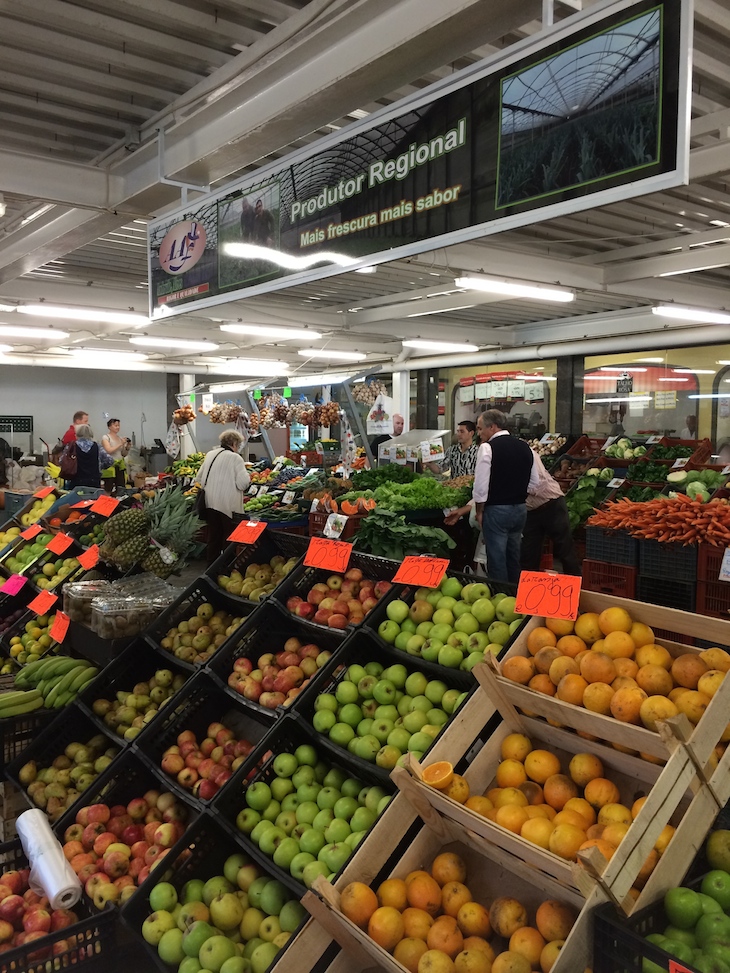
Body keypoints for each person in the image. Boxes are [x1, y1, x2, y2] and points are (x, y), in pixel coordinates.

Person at [472, 409, 540, 583]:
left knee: (497, 559)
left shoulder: (487, 448)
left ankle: (500, 597)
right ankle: (516, 597)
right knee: (513, 557)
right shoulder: (525, 447)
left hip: (496, 511)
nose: (479, 434)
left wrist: (479, 511)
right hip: (520, 510)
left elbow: (481, 486)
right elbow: (534, 482)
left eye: (480, 429)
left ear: (493, 427)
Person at [197, 429, 251, 565]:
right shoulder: (235, 458)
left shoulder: (210, 454)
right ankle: (227, 569)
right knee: (229, 539)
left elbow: (198, 477)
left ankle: (211, 570)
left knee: (213, 538)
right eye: (238, 446)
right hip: (227, 506)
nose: (238, 449)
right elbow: (243, 484)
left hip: (209, 503)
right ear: (234, 443)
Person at [522, 454, 581, 576]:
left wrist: (515, 489)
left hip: (551, 504)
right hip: (530, 511)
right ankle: (528, 590)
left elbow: (539, 484)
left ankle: (575, 589)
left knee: (565, 549)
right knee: (528, 554)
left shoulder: (527, 453)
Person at [62, 424, 113, 489]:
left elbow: (61, 461)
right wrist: (100, 465)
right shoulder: (97, 446)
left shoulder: (71, 446)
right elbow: (110, 460)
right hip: (94, 482)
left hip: (76, 482)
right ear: (91, 434)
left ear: (77, 434)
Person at [101, 418, 131, 493]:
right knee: (108, 488)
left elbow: (123, 454)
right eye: (115, 425)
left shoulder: (120, 438)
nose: (117, 427)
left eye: (118, 425)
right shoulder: (106, 437)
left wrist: (127, 447)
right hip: (109, 466)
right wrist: (121, 444)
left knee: (121, 487)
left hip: (119, 465)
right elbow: (109, 450)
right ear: (109, 427)